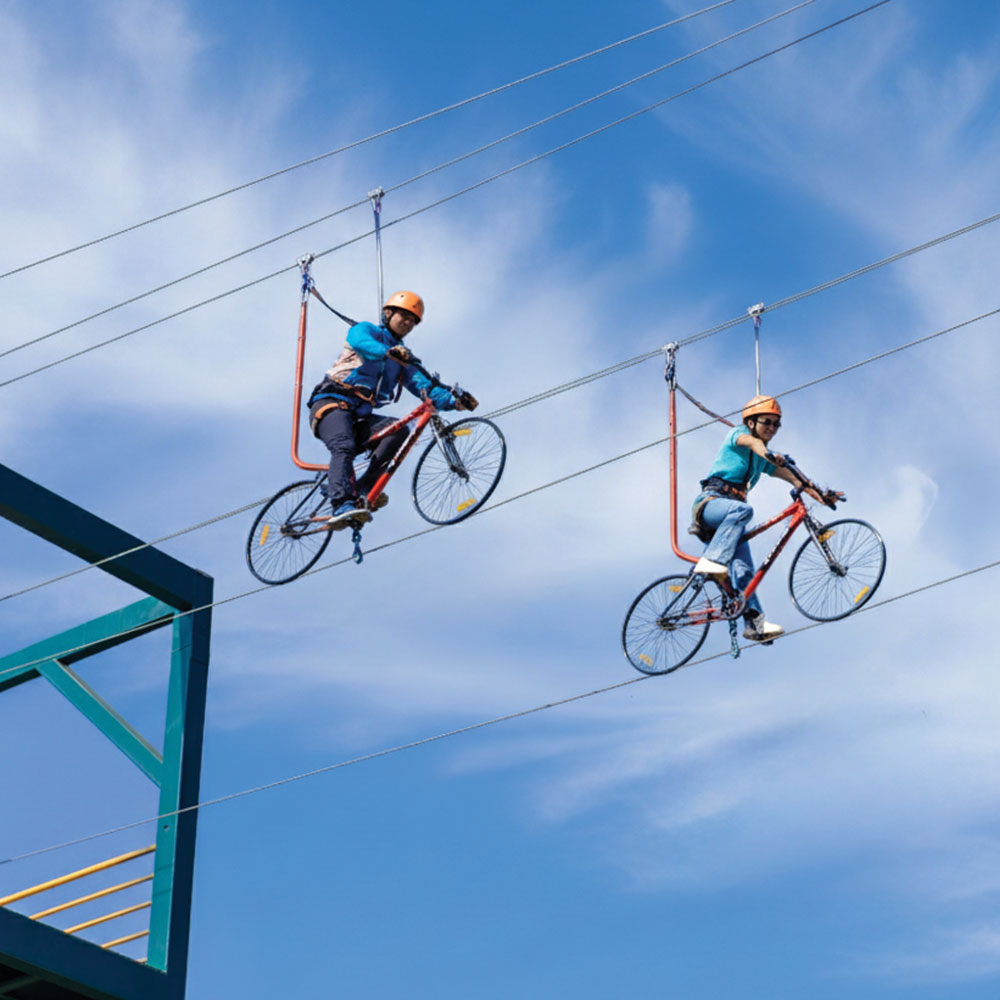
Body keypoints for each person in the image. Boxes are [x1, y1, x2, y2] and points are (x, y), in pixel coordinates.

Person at [307, 290, 477, 529]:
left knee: (398, 431)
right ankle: (341, 502)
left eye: (413, 322)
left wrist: (454, 401)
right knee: (342, 445)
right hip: (331, 405)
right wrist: (388, 352)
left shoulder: (403, 359)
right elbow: (359, 341)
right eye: (404, 316)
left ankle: (364, 488)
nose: (407, 324)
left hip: (359, 417)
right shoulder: (367, 331)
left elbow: (423, 385)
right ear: (388, 313)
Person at [690, 395, 841, 642]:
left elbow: (796, 480)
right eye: (766, 422)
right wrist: (769, 453)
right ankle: (712, 561)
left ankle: (755, 625)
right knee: (744, 512)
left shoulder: (763, 460)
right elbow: (753, 444)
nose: (771, 428)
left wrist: (823, 497)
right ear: (750, 422)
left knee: (744, 571)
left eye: (775, 424)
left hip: (731, 522)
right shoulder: (738, 435)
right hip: (711, 505)